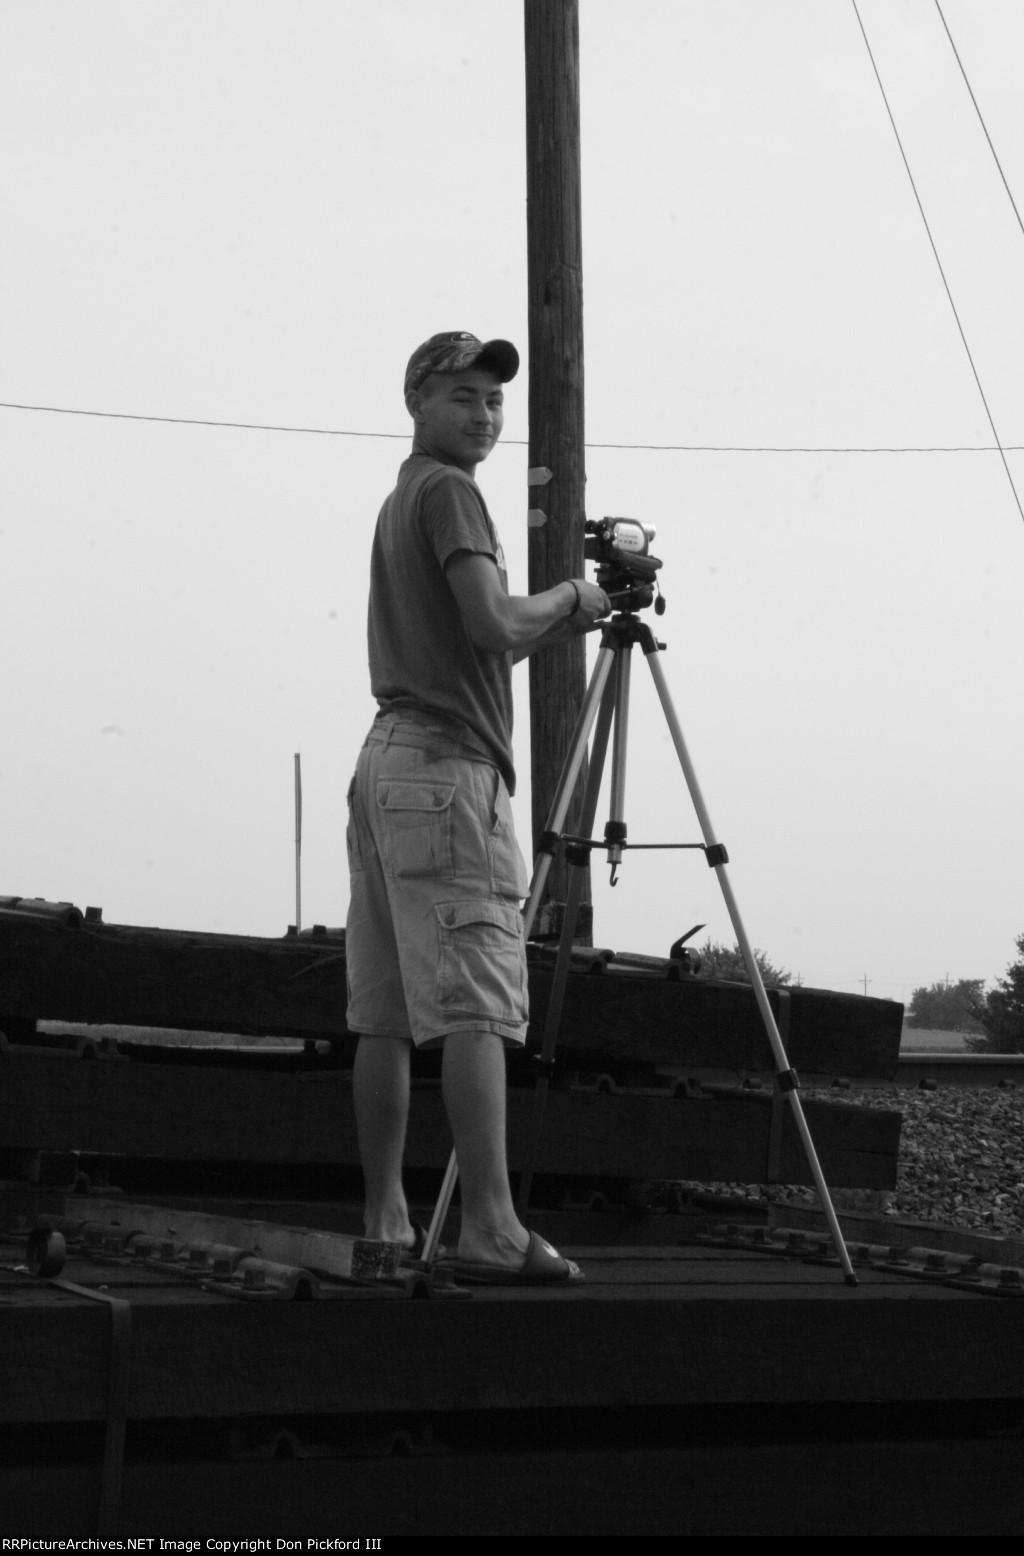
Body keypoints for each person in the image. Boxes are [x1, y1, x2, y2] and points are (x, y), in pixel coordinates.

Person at [345, 330, 610, 1284]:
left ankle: (385, 1221)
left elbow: (481, 643)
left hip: (387, 760)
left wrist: (559, 614)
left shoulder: (400, 496)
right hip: (447, 772)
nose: (484, 415)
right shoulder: (452, 492)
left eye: (494, 401)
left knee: (384, 1009)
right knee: (476, 1004)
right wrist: (575, 594)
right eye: (463, 396)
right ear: (416, 399)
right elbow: (499, 622)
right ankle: (490, 1227)